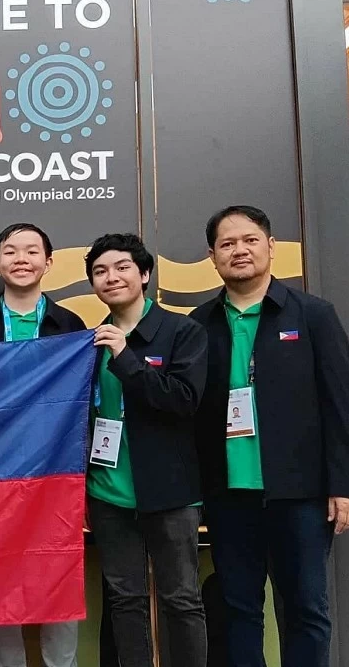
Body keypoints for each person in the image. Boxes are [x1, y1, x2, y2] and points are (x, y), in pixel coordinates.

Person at [191, 206, 349, 667]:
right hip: (229, 494)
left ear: (271, 246)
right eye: (227, 244)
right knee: (239, 608)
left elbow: (341, 407)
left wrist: (345, 486)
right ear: (212, 256)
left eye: (249, 239)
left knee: (306, 607)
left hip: (301, 494)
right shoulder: (199, 323)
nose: (239, 250)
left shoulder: (313, 315)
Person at [0, 222, 85, 667]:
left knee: (57, 574)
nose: (21, 259)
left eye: (32, 251)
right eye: (11, 252)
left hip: (55, 470)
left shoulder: (71, 326)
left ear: (49, 262)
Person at [83, 233, 208, 667]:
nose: (111, 277)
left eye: (121, 267)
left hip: (170, 491)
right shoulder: (90, 341)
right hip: (108, 491)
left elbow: (183, 400)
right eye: (100, 271)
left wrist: (126, 358)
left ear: (145, 274)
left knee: (181, 598)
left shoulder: (182, 331)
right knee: (124, 600)